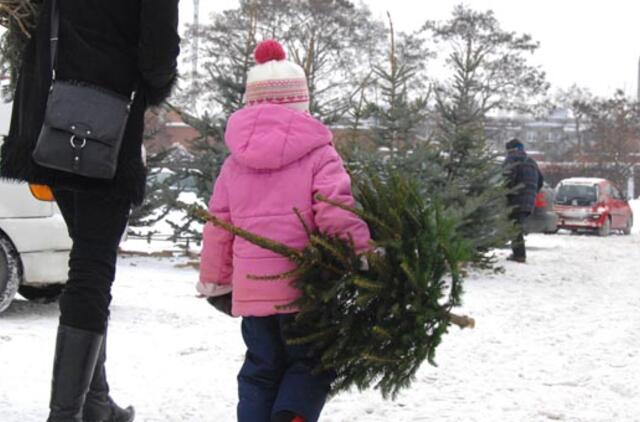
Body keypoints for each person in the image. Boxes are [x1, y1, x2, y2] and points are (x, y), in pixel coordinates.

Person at [0, 1, 180, 421]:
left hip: (50, 117)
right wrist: (153, 86)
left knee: (86, 260)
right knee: (92, 270)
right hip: (105, 126)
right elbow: (158, 55)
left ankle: (95, 402)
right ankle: (65, 414)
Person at [197, 39, 371, 422]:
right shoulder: (319, 152)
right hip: (304, 286)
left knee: (260, 368)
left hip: (253, 290)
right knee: (310, 363)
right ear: (300, 103)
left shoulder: (234, 162)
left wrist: (216, 282)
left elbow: (218, 228)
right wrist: (361, 255)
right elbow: (335, 213)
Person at [503, 139, 544, 263]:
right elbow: (540, 180)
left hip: (516, 197)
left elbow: (507, 178)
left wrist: (507, 191)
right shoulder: (531, 162)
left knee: (515, 227)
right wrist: (532, 193)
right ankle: (518, 254)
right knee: (517, 226)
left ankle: (519, 255)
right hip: (529, 198)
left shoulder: (511, 160)